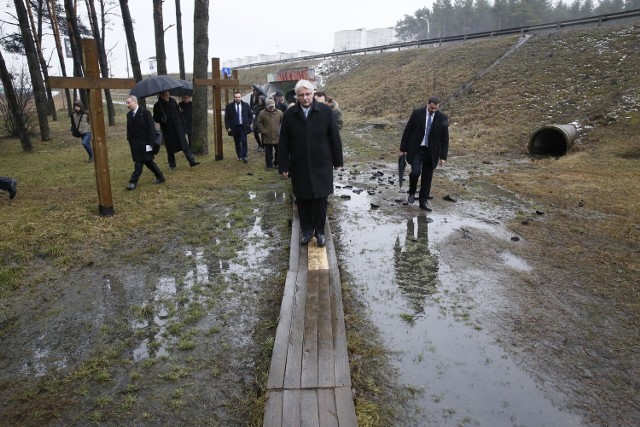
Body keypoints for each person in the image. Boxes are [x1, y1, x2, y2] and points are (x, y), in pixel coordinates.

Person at [278, 80, 343, 247]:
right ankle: (307, 231)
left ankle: (320, 231)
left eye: (308, 94)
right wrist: (283, 165)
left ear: (313, 93)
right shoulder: (289, 114)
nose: (305, 98)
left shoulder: (325, 112)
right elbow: (284, 142)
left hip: (321, 162)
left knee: (320, 199)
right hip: (299, 164)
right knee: (303, 198)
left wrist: (337, 161)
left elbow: (334, 137)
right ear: (297, 96)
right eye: (301, 95)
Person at [399, 96, 449, 211]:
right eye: (432, 108)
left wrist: (443, 157)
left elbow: (445, 139)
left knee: (427, 178)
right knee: (415, 172)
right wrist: (403, 149)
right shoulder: (417, 113)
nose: (433, 110)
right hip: (416, 150)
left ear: (438, 106)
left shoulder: (442, 118)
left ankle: (423, 202)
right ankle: (411, 191)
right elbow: (407, 130)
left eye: (436, 108)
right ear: (427, 104)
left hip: (431, 152)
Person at [125, 95, 165, 190]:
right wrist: (129, 138)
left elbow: (151, 129)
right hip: (135, 144)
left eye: (129, 102)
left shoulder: (145, 113)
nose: (127, 105)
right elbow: (129, 129)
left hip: (145, 143)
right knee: (148, 162)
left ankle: (133, 182)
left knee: (138, 163)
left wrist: (150, 144)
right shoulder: (128, 115)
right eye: (126, 103)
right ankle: (160, 177)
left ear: (135, 102)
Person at [153, 90, 200, 170]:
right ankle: (172, 165)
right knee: (170, 148)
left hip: (178, 127)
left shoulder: (172, 101)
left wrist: (183, 123)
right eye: (166, 95)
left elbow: (179, 113)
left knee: (184, 145)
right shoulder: (158, 105)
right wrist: (161, 118)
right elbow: (155, 118)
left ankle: (191, 161)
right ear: (162, 95)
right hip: (168, 129)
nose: (168, 96)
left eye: (168, 95)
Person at [224, 91, 253, 163]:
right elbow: (226, 118)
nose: (237, 98)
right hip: (234, 127)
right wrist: (228, 127)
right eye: (236, 97)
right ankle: (239, 155)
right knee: (237, 142)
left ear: (241, 97)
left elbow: (250, 115)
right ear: (234, 98)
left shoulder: (246, 105)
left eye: (239, 97)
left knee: (244, 141)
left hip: (243, 126)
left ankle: (244, 156)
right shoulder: (229, 106)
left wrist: (248, 123)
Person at [257, 99, 283, 170]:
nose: (271, 108)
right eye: (270, 107)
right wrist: (264, 131)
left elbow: (283, 123)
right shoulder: (262, 113)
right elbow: (259, 123)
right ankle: (269, 165)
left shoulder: (279, 113)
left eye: (273, 107)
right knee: (268, 153)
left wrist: (281, 132)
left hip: (277, 136)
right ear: (267, 106)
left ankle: (276, 163)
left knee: (278, 151)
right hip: (267, 137)